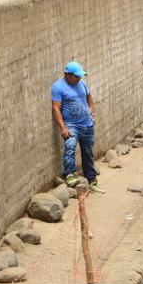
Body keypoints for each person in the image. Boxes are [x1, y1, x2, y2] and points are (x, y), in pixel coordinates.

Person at [51, 62, 105, 194]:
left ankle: (91, 181)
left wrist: (91, 112)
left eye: (80, 76)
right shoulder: (58, 87)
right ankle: (69, 176)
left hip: (87, 125)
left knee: (88, 152)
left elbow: (89, 97)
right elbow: (56, 109)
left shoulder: (81, 84)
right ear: (67, 75)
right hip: (71, 125)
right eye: (76, 76)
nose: (79, 79)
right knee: (70, 147)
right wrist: (62, 128)